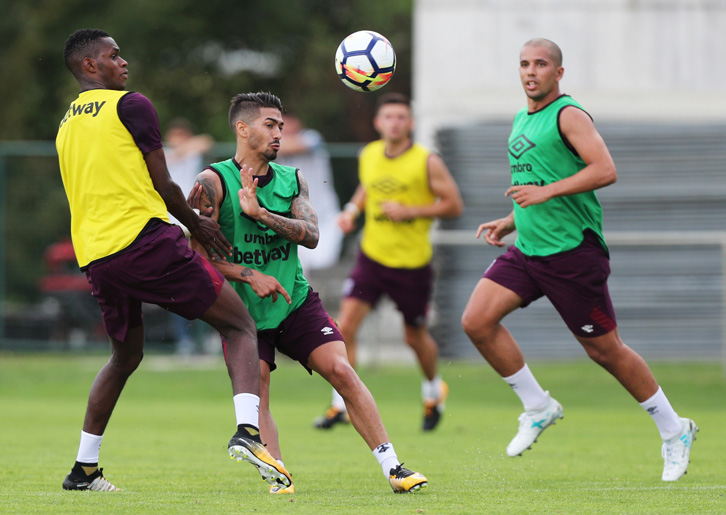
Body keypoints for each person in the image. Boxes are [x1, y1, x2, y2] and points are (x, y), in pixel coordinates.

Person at [55, 29, 291, 492]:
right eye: (112, 55)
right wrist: (197, 224)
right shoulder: (131, 105)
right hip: (144, 242)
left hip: (97, 255)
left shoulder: (66, 123)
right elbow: (163, 183)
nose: (123, 63)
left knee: (124, 357)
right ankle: (247, 432)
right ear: (88, 66)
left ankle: (84, 468)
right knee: (240, 326)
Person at [460, 38, 697, 481]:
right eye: (525, 64)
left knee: (605, 350)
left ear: (559, 73)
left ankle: (674, 429)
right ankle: (538, 405)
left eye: (541, 64)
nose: (531, 72)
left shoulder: (569, 114)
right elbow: (537, 182)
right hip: (528, 249)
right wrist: (511, 221)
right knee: (476, 321)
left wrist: (546, 193)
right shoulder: (520, 119)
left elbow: (605, 169)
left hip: (571, 254)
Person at [186, 91, 428, 494]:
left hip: (294, 301)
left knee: (342, 372)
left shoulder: (292, 179)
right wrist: (248, 274)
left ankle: (394, 468)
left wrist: (261, 214)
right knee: (258, 384)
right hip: (242, 315)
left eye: (281, 126)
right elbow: (196, 258)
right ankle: (277, 473)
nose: (279, 133)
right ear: (242, 129)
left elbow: (313, 236)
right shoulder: (211, 183)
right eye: (270, 125)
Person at [314, 93, 463, 432]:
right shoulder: (368, 154)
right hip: (372, 257)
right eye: (389, 117)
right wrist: (352, 212)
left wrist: (411, 210)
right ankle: (342, 403)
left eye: (401, 117)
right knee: (344, 327)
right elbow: (368, 188)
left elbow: (453, 204)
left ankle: (432, 389)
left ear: (410, 123)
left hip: (411, 264)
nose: (395, 122)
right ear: (378, 122)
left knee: (414, 336)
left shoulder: (426, 161)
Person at [163, 118, 214, 355]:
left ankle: (208, 337)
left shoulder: (191, 152)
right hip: (169, 226)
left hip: (193, 223)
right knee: (176, 284)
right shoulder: (161, 154)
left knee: (204, 279)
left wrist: (181, 150)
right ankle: (184, 341)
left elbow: (206, 141)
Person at [275, 112, 342, 272]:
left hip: (325, 219)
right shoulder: (272, 148)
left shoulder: (311, 137)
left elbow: (294, 146)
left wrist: (262, 144)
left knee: (323, 262)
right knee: (300, 268)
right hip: (295, 221)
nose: (287, 128)